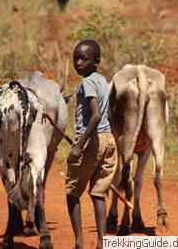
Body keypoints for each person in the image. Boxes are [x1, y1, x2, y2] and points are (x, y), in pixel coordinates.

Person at [65, 39, 117, 249]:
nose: (78, 62)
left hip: (90, 143)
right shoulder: (102, 80)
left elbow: (95, 115)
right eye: (75, 58)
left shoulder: (87, 83)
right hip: (108, 140)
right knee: (98, 193)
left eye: (83, 59)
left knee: (72, 193)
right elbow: (106, 112)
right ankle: (101, 242)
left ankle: (79, 242)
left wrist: (79, 145)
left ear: (96, 61)